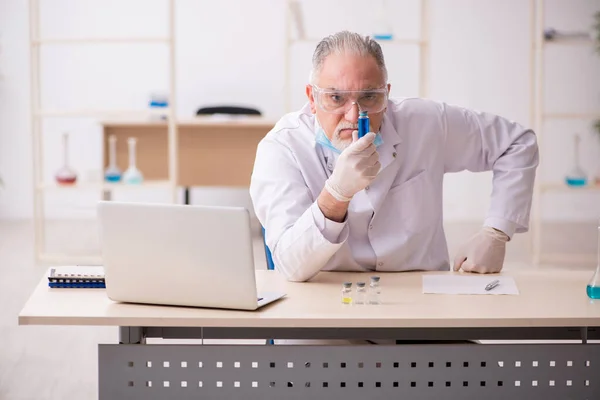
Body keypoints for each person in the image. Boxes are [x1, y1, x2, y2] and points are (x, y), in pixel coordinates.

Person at [250, 31, 539, 282]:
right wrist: (336, 195)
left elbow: (516, 143)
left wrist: (497, 232)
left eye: (369, 97)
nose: (353, 115)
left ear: (386, 95)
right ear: (312, 98)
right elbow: (289, 264)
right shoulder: (282, 148)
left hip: (420, 309)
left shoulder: (426, 123)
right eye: (335, 98)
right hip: (323, 316)